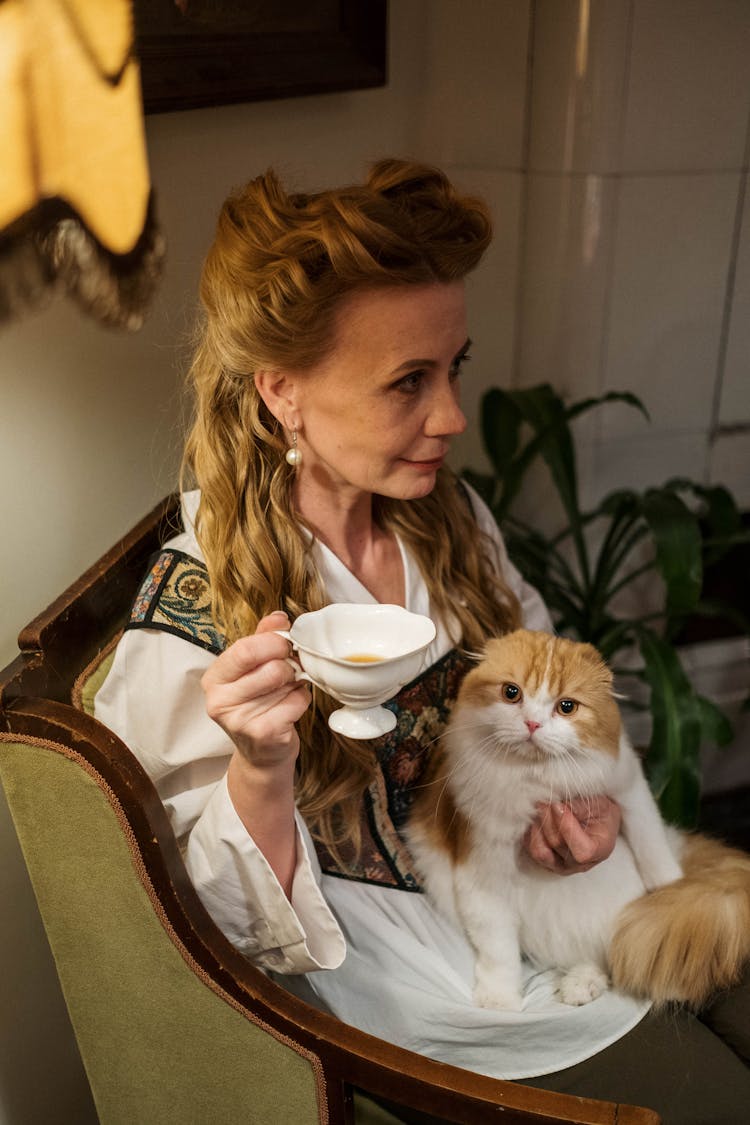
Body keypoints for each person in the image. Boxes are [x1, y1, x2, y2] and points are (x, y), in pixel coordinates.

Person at [95, 159, 750, 1124]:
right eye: (409, 381)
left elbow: (555, 708)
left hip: (543, 899)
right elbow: (202, 948)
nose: (450, 417)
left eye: (455, 369)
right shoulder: (190, 625)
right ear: (283, 392)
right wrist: (259, 768)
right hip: (416, 985)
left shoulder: (445, 522)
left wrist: (583, 811)